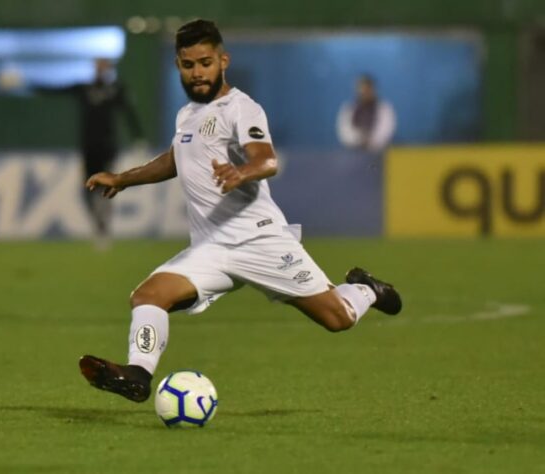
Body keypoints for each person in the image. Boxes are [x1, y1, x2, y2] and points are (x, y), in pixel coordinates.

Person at [79, 20, 402, 402]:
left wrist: (240, 172)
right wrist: (122, 179)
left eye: (205, 62)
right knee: (148, 295)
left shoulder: (241, 108)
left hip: (259, 239)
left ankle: (366, 289)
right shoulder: (188, 115)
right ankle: (137, 374)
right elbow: (174, 160)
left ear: (223, 61)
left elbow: (267, 161)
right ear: (178, 66)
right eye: (188, 65)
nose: (197, 72)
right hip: (212, 248)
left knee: (338, 318)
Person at [0, 59, 144, 248]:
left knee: (108, 185)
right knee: (88, 189)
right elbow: (53, 90)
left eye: (103, 65)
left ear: (109, 68)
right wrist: (23, 82)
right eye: (97, 65)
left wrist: (139, 138)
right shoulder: (83, 88)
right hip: (88, 147)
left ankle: (104, 228)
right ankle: (99, 225)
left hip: (108, 147)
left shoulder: (116, 90)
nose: (100, 69)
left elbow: (129, 113)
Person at [336, 74, 396, 153]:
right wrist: (359, 139)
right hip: (353, 153)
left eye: (367, 89)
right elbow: (344, 131)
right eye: (362, 89)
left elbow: (386, 130)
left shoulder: (384, 108)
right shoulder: (349, 109)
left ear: (373, 89)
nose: (364, 92)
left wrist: (370, 141)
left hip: (378, 153)